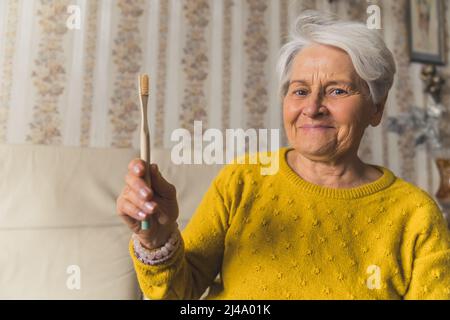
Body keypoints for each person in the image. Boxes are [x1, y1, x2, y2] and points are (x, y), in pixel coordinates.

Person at [116, 11, 450, 299]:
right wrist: (157, 239)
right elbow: (180, 294)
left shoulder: (416, 214)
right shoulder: (243, 179)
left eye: (336, 90)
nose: (313, 108)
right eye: (300, 91)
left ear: (376, 108)